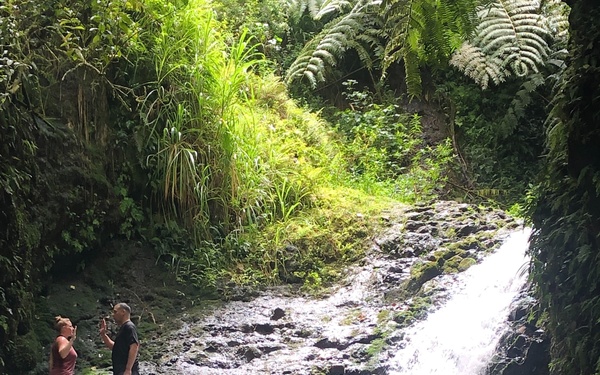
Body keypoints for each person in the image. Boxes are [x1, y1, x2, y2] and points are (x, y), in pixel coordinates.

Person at [99, 302, 140, 375]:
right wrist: (103, 335)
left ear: (123, 312)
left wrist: (128, 369)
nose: (113, 315)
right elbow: (115, 347)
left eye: (115, 312)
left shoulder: (129, 327)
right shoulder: (124, 328)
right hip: (120, 370)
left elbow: (134, 346)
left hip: (126, 371)